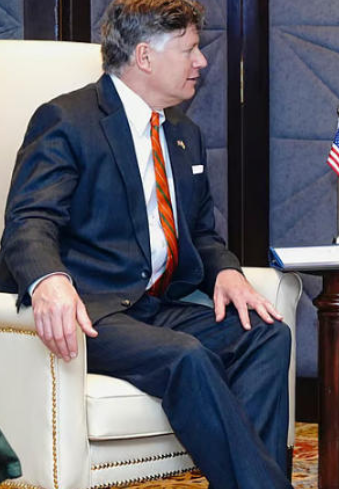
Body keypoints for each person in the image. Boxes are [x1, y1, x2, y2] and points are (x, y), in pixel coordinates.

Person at [0, 1, 293, 487]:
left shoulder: (183, 134)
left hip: (155, 306)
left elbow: (201, 232)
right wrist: (49, 279)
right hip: (92, 311)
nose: (202, 61)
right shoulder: (67, 120)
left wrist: (227, 271)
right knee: (187, 356)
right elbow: (29, 219)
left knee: (266, 334)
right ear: (144, 56)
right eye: (190, 49)